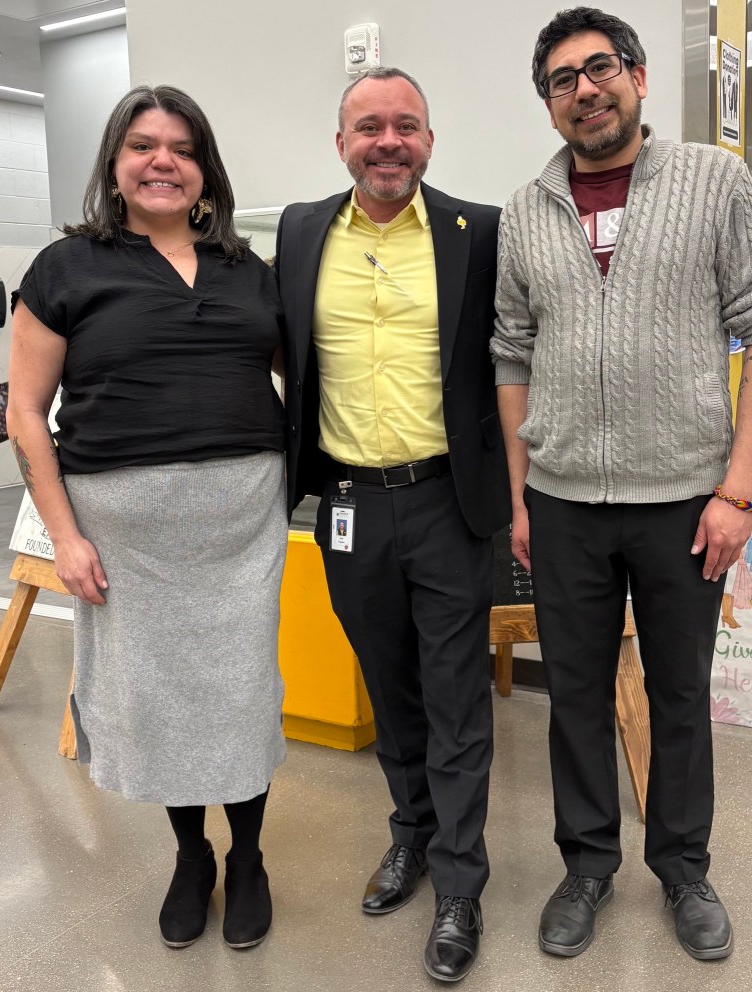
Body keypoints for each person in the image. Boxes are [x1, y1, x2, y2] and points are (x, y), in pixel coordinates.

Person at [492, 7, 752, 962]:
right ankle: (587, 865)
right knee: (574, 696)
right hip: (564, 501)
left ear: (638, 77)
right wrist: (521, 496)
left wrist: (736, 492)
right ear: (548, 105)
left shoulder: (712, 181)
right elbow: (511, 354)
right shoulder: (525, 210)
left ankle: (683, 867)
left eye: (601, 68)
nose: (585, 90)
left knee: (678, 695)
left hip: (684, 501)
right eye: (562, 80)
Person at [6, 85, 287, 951]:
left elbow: (306, 368)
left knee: (240, 695)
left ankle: (248, 858)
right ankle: (191, 856)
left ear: (205, 170)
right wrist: (64, 538)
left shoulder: (248, 269)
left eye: (182, 148)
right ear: (115, 163)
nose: (163, 161)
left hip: (243, 525)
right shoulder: (65, 268)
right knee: (160, 702)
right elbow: (25, 413)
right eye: (142, 145)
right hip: (127, 536)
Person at [276, 67, 509, 982]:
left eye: (406, 125)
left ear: (430, 141)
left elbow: (515, 358)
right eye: (369, 126)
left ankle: (459, 884)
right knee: (389, 684)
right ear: (341, 144)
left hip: (449, 500)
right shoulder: (300, 230)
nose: (388, 142)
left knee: (456, 697)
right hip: (346, 504)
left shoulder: (478, 231)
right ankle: (410, 832)